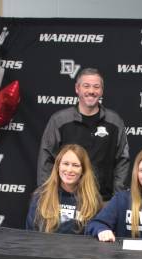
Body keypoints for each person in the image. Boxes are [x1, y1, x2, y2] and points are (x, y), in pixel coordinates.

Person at [37, 67, 129, 201]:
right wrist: (47, 197)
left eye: (96, 87)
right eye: (86, 86)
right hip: (66, 201)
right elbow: (46, 160)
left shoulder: (115, 121)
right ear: (77, 88)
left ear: (101, 91)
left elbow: (122, 160)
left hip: (102, 202)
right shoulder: (59, 120)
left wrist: (116, 199)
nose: (91, 91)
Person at [26, 144, 102, 234]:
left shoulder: (93, 200)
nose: (69, 170)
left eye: (75, 165)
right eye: (65, 164)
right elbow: (31, 234)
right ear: (58, 167)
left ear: (83, 170)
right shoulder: (41, 195)